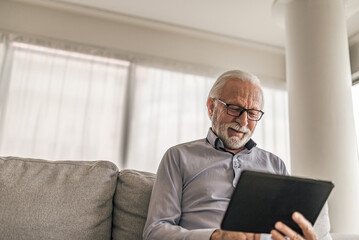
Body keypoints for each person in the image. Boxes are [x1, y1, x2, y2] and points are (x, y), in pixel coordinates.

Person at [143, 70, 330, 240]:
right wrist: (215, 237)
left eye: (253, 113)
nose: (243, 121)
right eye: (234, 108)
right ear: (211, 107)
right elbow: (155, 231)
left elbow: (286, 231)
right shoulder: (178, 157)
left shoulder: (276, 165)